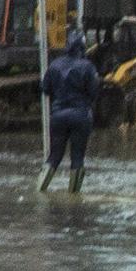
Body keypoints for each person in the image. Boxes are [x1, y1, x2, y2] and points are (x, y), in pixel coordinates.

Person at [38, 31, 98, 192]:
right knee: (77, 156)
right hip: (80, 115)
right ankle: (73, 194)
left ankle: (40, 188)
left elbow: (44, 89)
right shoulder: (87, 66)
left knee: (54, 155)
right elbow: (94, 92)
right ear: (82, 47)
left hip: (58, 116)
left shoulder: (54, 65)